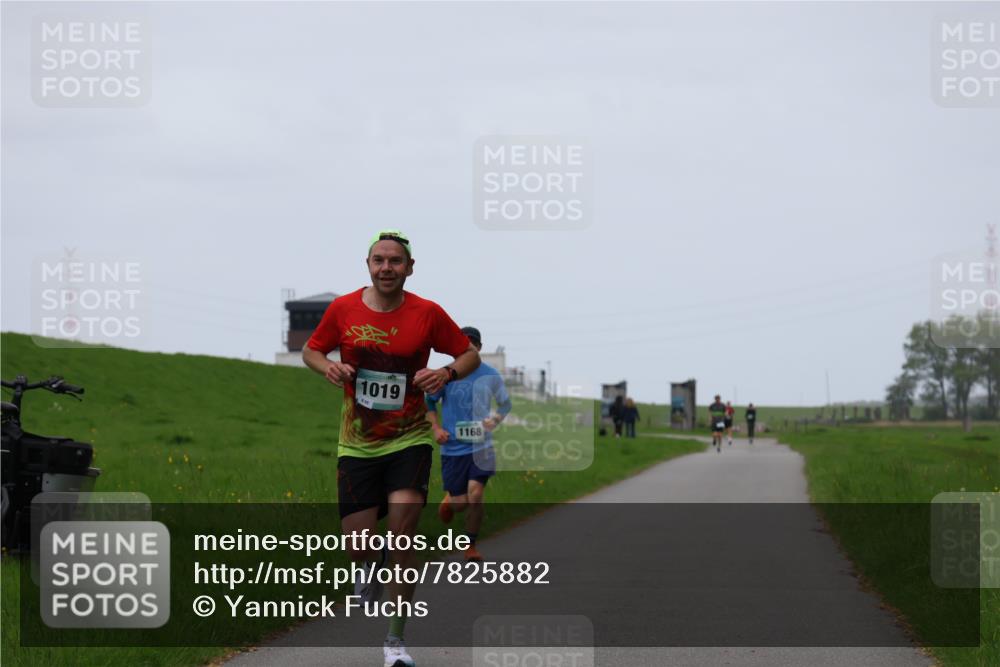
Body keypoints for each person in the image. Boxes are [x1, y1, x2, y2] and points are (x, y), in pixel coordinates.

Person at [303, 229, 480, 667]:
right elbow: (311, 350)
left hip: (411, 436)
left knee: (404, 536)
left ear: (409, 268)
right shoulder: (343, 308)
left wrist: (446, 373)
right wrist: (328, 366)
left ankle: (395, 642)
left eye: (395, 261)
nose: (387, 268)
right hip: (358, 443)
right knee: (358, 544)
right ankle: (370, 558)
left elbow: (469, 354)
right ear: (368, 265)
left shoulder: (427, 313)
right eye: (379, 260)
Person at [425, 326, 512, 562]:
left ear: (480, 348)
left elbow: (505, 405)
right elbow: (429, 404)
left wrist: (494, 420)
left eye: (473, 343)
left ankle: (471, 545)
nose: (469, 346)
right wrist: (436, 428)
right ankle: (449, 501)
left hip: (481, 447)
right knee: (460, 504)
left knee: (476, 494)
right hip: (452, 448)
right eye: (465, 343)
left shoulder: (491, 375)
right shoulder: (444, 375)